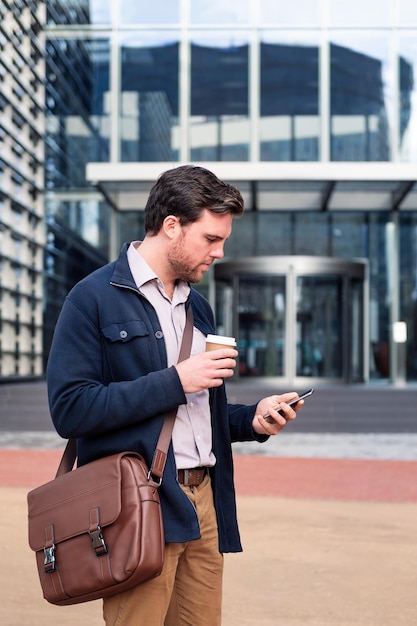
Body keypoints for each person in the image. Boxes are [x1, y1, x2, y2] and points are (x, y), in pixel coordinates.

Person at [47, 164, 304, 626]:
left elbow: (197, 411)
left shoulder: (197, 304)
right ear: (172, 226)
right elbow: (70, 409)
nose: (220, 252)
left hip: (204, 504)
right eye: (211, 238)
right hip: (138, 505)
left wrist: (253, 419)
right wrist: (175, 379)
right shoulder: (91, 298)